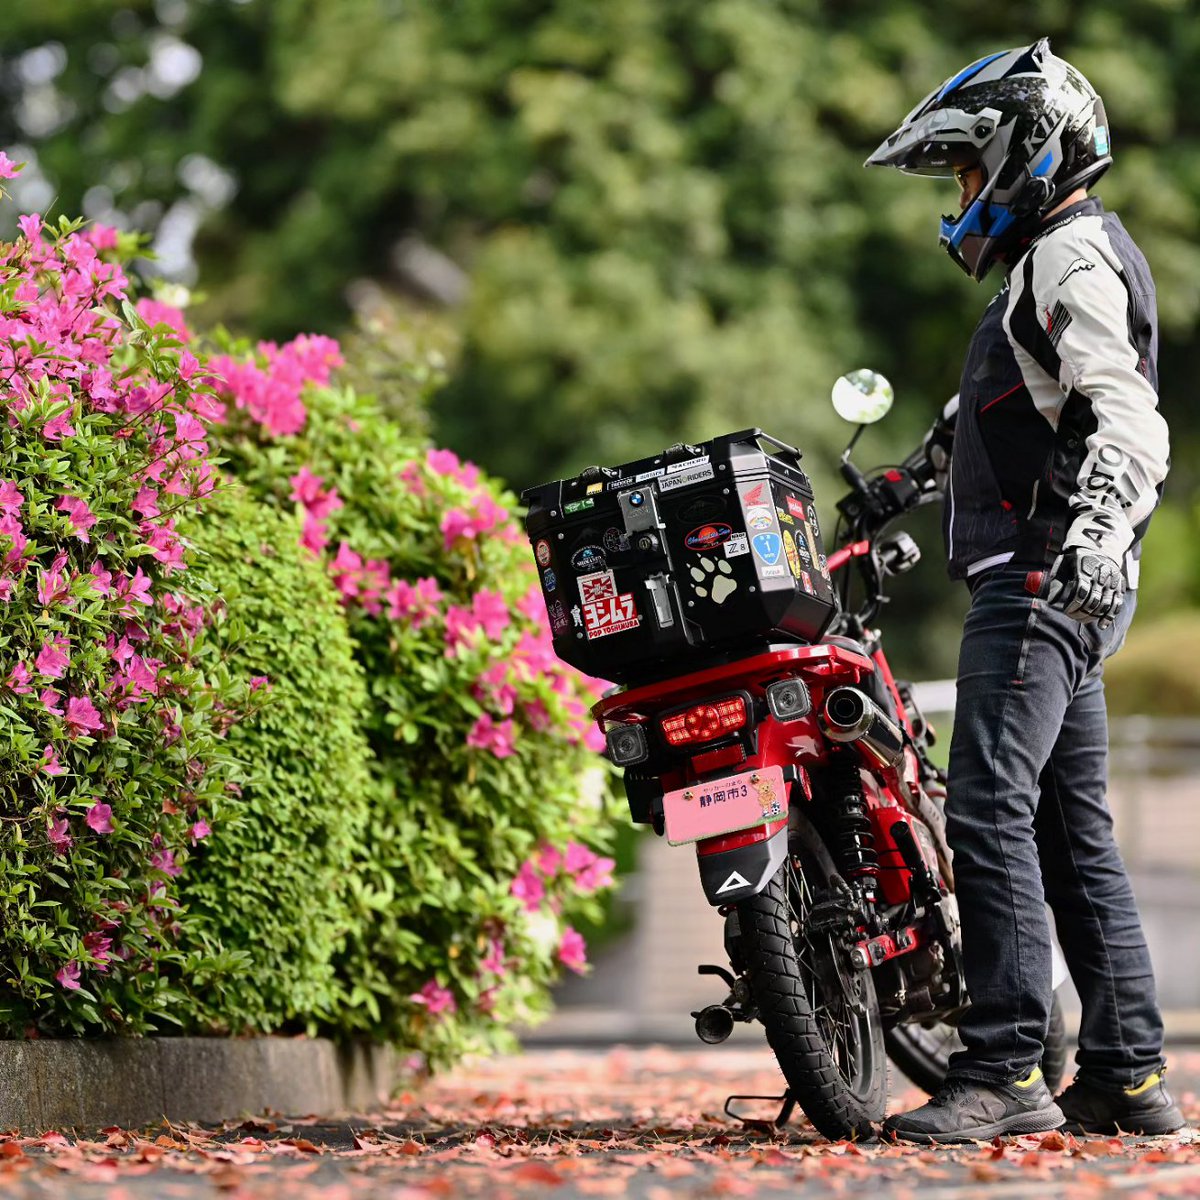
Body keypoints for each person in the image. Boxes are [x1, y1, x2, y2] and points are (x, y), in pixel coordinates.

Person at [865, 37, 1184, 1143]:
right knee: (1065, 828)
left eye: (965, 172)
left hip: (1044, 575)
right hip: (1064, 576)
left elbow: (1129, 415)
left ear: (1022, 153)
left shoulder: (1068, 256)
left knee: (989, 808)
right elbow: (1010, 409)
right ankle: (1129, 1079)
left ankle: (1003, 1065)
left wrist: (1096, 534)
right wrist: (903, 484)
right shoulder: (1057, 256)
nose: (961, 197)